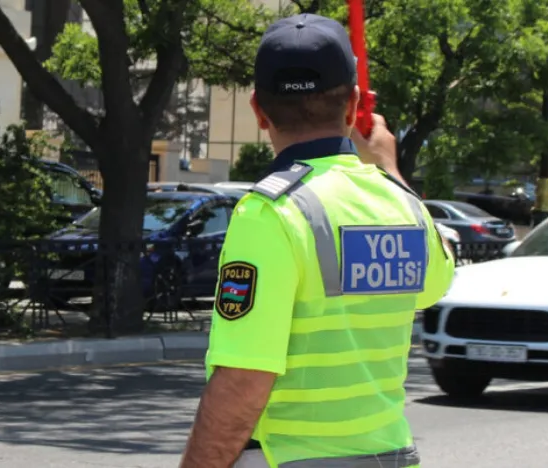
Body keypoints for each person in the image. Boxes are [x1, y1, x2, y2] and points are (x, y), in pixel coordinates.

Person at [179, 13, 455, 468]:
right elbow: (436, 283)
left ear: (258, 110)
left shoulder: (271, 213)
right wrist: (390, 170)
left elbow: (244, 378)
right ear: (353, 105)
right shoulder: (401, 204)